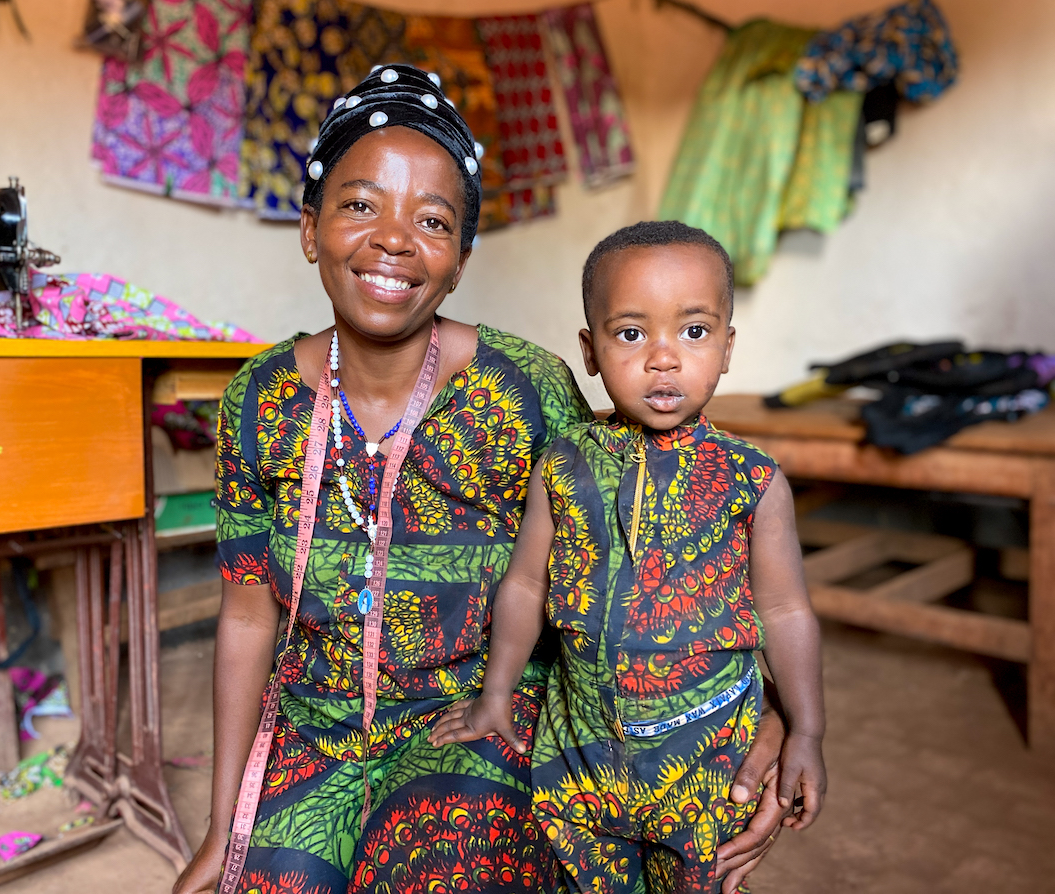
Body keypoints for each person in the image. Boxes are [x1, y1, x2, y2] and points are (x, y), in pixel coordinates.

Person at [173, 68, 791, 894]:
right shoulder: (256, 399)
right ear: (309, 227)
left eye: (432, 221)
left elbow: (667, 552)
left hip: (474, 719)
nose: (393, 239)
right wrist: (226, 828)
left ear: (461, 261)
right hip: (315, 727)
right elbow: (248, 612)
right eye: (360, 205)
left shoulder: (526, 388)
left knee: (448, 860)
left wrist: (769, 714)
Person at [429, 221, 826, 893]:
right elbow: (526, 585)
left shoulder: (753, 480)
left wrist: (808, 731)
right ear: (590, 349)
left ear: (728, 348)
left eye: (694, 332)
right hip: (579, 757)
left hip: (708, 764)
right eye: (632, 334)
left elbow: (786, 612)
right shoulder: (563, 467)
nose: (663, 358)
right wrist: (495, 693)